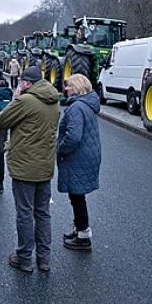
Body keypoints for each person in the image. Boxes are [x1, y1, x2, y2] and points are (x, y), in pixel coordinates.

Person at [0, 65, 60, 272]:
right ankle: (44, 259)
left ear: (26, 83)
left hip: (24, 166)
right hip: (45, 164)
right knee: (43, 213)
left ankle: (24, 258)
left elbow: (2, 120)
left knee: (25, 213)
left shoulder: (25, 101)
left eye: (22, 81)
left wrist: (16, 98)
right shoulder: (54, 101)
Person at [57, 73, 101, 251]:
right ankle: (79, 229)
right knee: (77, 195)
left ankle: (83, 237)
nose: (66, 89)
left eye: (69, 86)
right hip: (87, 155)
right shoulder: (87, 105)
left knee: (77, 196)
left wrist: (61, 148)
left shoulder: (76, 107)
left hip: (78, 156)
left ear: (78, 88)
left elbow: (73, 137)